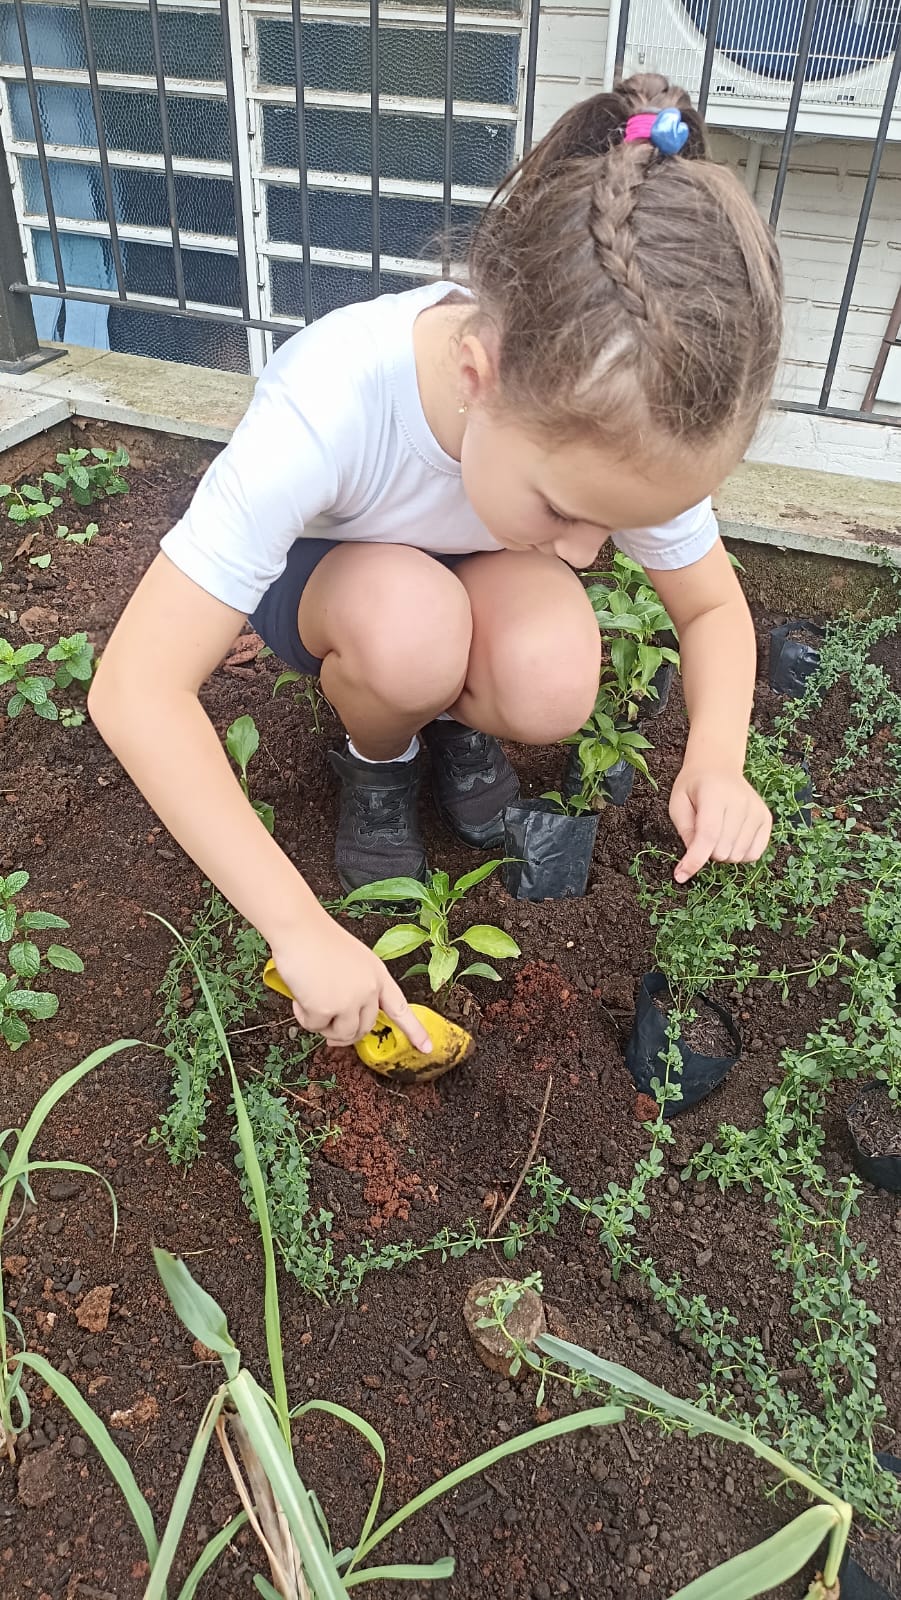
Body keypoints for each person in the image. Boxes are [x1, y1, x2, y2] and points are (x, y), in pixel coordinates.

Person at [90, 74, 783, 1056]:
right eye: (566, 511)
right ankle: (380, 757)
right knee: (410, 629)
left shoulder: (630, 404)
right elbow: (134, 690)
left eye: (619, 524)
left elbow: (709, 609)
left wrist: (715, 760)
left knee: (552, 674)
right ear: (476, 376)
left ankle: (454, 718)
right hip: (338, 585)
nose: (588, 552)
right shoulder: (332, 398)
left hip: (473, 568)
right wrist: (297, 925)